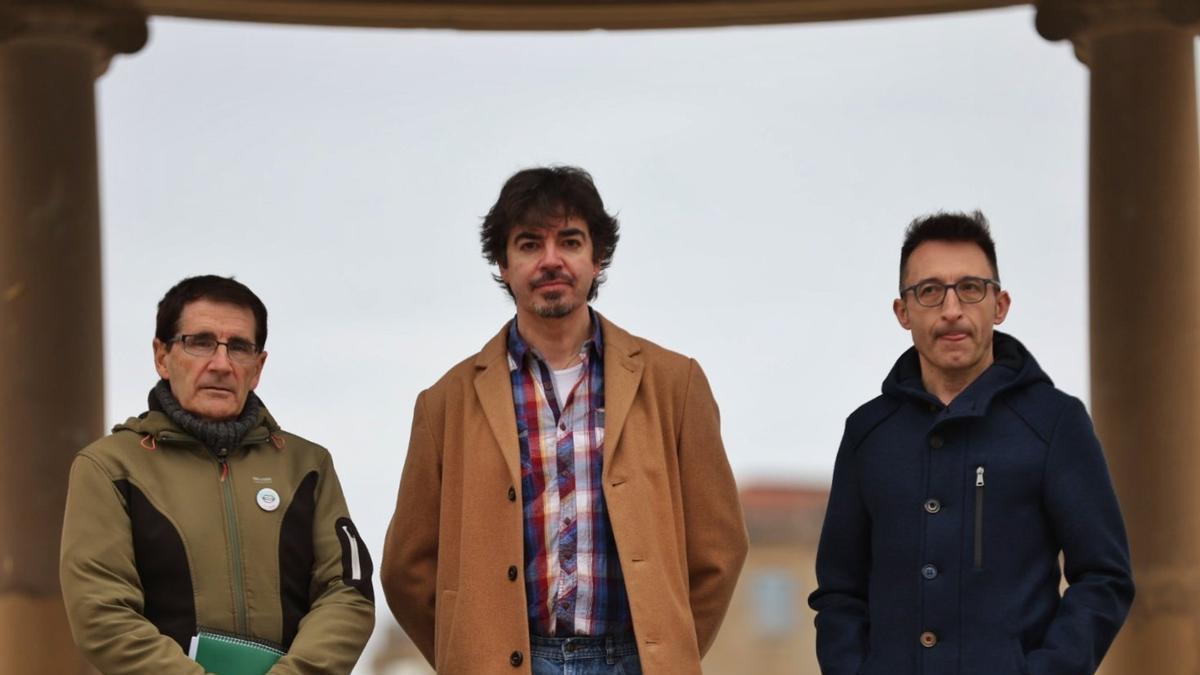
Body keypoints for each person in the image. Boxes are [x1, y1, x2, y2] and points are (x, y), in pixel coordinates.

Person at [381, 166, 748, 674]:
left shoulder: (673, 383)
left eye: (570, 241)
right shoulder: (445, 403)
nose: (551, 260)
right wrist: (469, 655)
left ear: (597, 259)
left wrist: (666, 652)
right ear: (503, 264)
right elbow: (407, 570)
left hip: (633, 661)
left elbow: (719, 548)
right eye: (530, 244)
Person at [808, 212, 1134, 675]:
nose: (952, 309)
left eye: (970, 288)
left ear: (999, 305)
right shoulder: (867, 433)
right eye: (929, 291)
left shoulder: (1055, 423)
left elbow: (1104, 577)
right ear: (903, 312)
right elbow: (840, 591)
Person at [60, 275, 374, 674]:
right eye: (201, 342)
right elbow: (102, 613)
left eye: (240, 347)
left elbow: (347, 592)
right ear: (162, 356)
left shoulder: (308, 465)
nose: (222, 364)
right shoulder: (109, 468)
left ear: (258, 367)